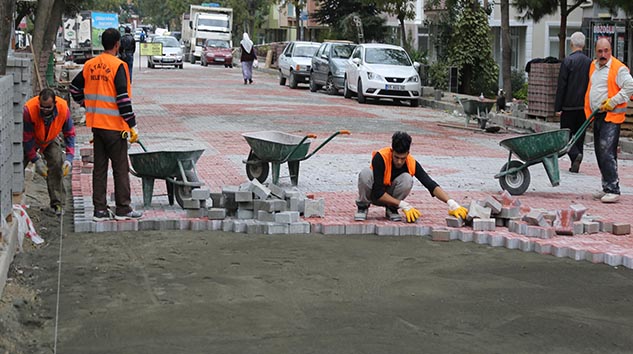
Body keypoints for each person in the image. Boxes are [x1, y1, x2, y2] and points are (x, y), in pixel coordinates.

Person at [69, 27, 142, 221]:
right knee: (120, 168)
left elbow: (74, 88)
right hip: (115, 127)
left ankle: (99, 210)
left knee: (99, 169)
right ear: (117, 44)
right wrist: (132, 125)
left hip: (97, 126)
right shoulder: (119, 66)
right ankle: (123, 209)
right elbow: (123, 99)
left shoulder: (90, 65)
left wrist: (88, 104)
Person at [355, 131, 468, 223]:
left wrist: (452, 203)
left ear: (408, 153)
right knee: (366, 173)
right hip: (373, 194)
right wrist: (404, 205)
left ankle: (391, 209)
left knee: (407, 179)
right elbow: (378, 192)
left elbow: (430, 184)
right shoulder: (381, 157)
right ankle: (362, 207)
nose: (399, 162)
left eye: (402, 158)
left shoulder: (411, 163)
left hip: (391, 199)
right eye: (396, 157)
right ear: (392, 151)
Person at [584, 38, 633, 204]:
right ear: (595, 52)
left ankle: (613, 188)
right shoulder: (593, 66)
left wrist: (612, 101)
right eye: (600, 51)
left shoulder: (618, 68)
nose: (603, 54)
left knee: (607, 151)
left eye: (606, 51)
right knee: (599, 151)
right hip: (597, 114)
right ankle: (606, 186)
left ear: (611, 51)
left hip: (611, 116)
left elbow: (630, 86)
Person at [23, 88, 75, 216]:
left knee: (57, 163)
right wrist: (36, 160)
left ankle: (57, 203)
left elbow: (69, 134)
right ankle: (13, 198)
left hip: (50, 138)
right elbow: (27, 138)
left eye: (48, 107)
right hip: (33, 138)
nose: (44, 110)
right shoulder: (29, 109)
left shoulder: (63, 108)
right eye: (42, 107)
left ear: (54, 104)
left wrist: (69, 158)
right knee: (18, 164)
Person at [555, 31, 592, 173]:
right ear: (584, 44)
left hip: (568, 105)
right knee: (579, 135)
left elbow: (562, 85)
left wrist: (558, 107)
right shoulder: (590, 63)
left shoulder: (567, 61)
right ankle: (576, 160)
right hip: (584, 106)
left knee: (566, 135)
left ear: (571, 44)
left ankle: (574, 155)